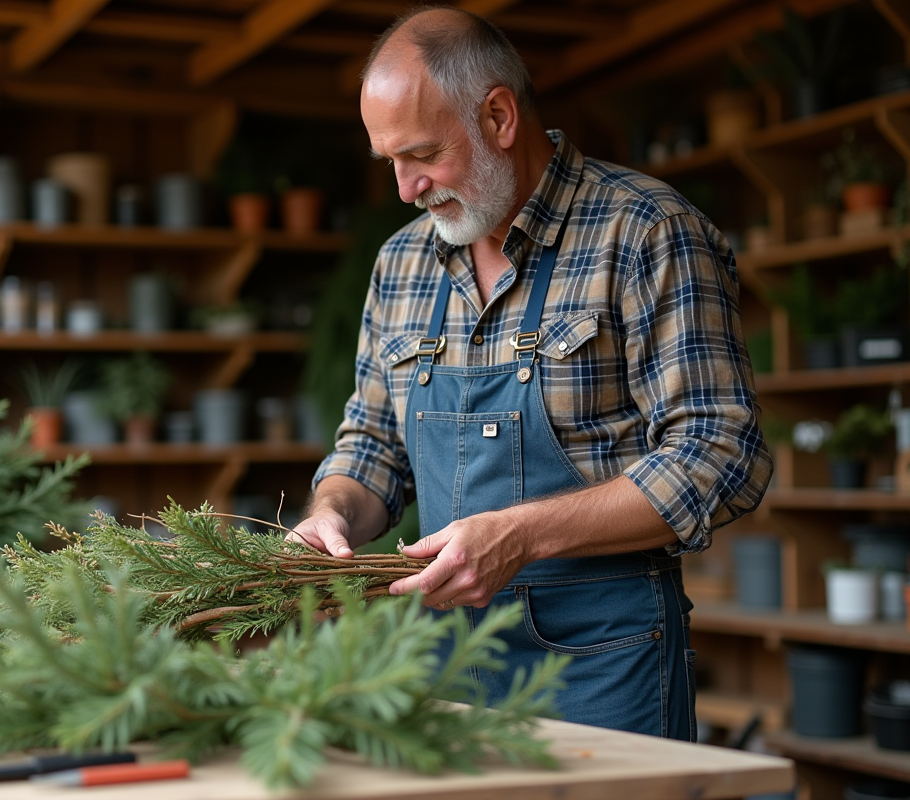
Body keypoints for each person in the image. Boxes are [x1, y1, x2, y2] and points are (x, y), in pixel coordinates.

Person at [293, 6, 771, 741]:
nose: (404, 188)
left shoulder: (644, 231)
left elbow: (719, 456)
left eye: (421, 154)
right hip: (442, 662)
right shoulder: (402, 264)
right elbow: (373, 447)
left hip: (604, 664)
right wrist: (332, 512)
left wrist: (522, 534)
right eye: (389, 161)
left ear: (498, 117)